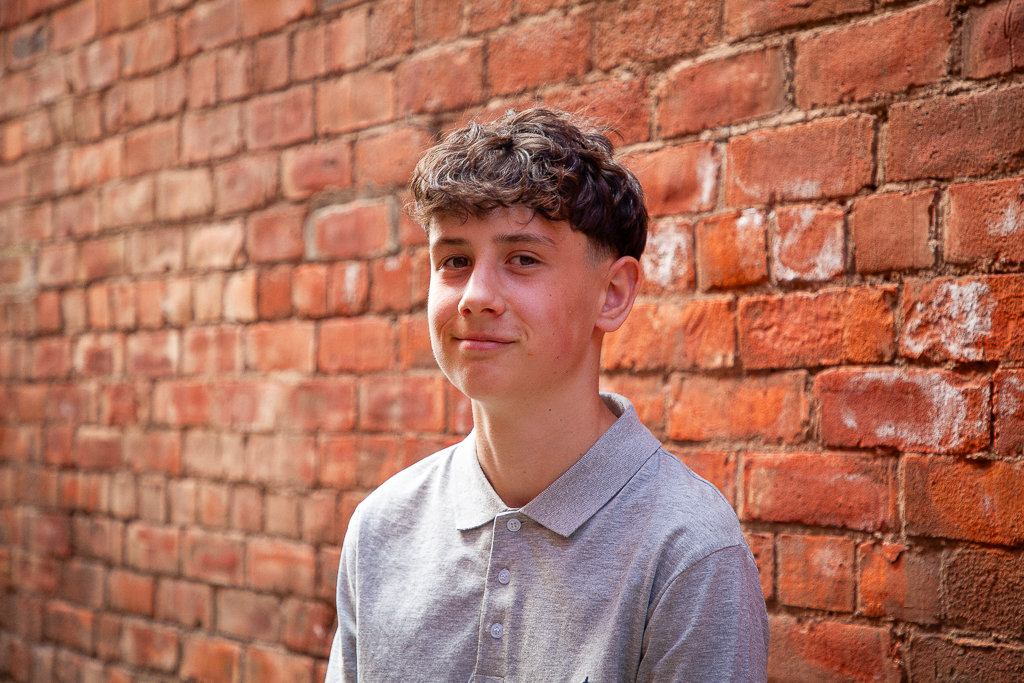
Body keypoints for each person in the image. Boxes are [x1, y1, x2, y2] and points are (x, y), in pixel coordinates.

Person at [324, 107, 769, 683]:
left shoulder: (687, 554)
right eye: (454, 260)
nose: (475, 296)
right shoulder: (380, 528)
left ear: (612, 294)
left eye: (523, 259)